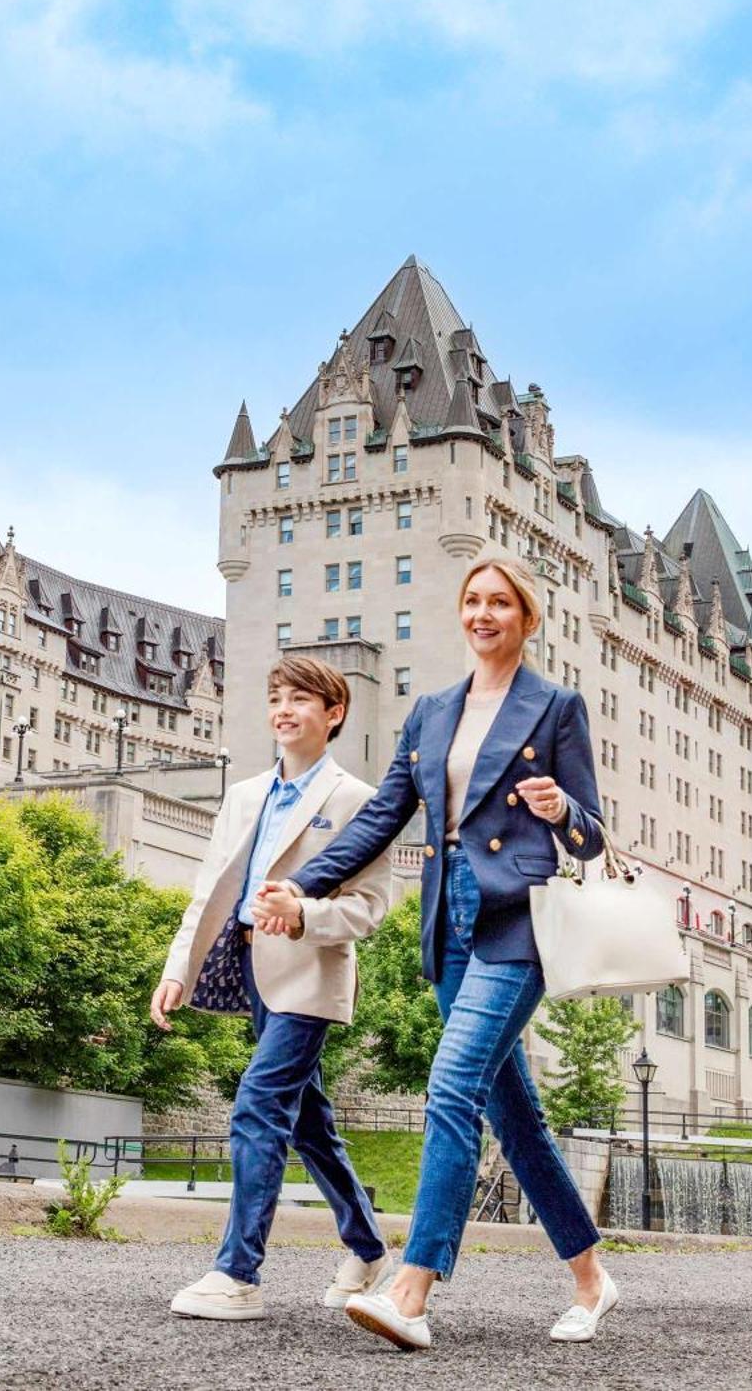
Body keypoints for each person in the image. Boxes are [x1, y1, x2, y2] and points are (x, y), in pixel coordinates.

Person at [253, 554, 617, 1351]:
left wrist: (561, 810)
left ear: (526, 617)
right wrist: (304, 888)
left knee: (450, 1086)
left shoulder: (556, 707)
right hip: (446, 920)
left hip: (517, 919)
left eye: (501, 603)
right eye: (473, 601)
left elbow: (592, 839)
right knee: (512, 1116)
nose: (484, 614)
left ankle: (412, 1289)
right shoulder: (430, 711)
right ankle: (591, 1277)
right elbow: (382, 815)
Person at [151, 655, 397, 1322]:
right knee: (311, 1124)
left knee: (258, 1107)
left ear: (334, 714)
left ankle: (237, 1274)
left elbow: (372, 906)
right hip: (250, 972)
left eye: (300, 700)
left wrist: (306, 914)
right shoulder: (243, 795)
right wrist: (179, 969)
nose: (283, 710)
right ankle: (368, 1245)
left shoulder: (356, 801)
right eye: (275, 699)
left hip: (309, 978)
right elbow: (208, 893)